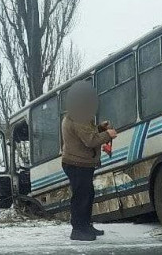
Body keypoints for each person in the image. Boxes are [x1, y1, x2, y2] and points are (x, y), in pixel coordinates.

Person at [61, 81, 117, 241]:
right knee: (81, 196)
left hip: (79, 163)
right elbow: (90, 141)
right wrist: (108, 135)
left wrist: (100, 128)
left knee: (87, 194)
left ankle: (85, 225)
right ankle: (78, 230)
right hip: (78, 164)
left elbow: (85, 134)